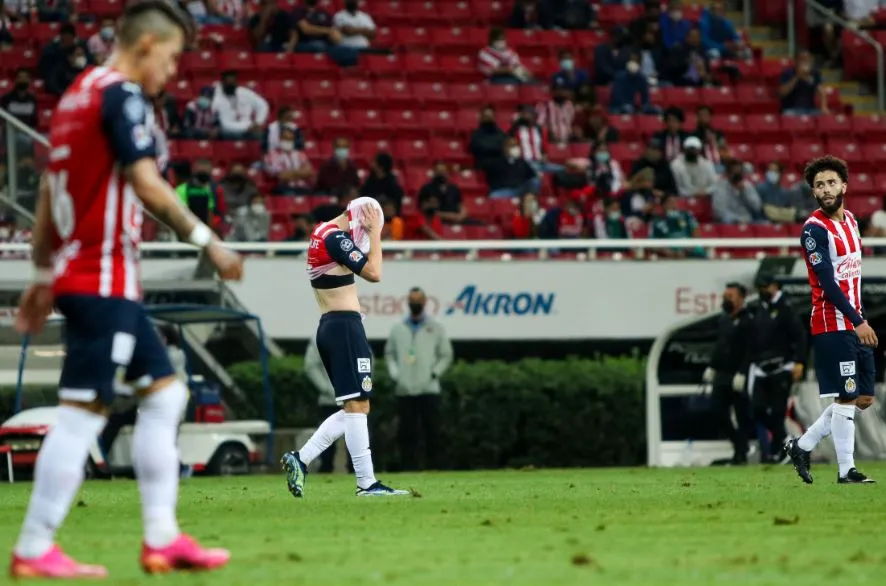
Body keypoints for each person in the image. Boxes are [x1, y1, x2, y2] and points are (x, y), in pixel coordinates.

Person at [9, 1, 244, 579]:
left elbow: (46, 194)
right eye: (171, 57)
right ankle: (35, 546)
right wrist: (206, 240)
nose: (172, 71)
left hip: (87, 277)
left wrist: (41, 277)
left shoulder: (74, 99)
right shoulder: (122, 95)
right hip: (102, 278)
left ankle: (162, 538)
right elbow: (145, 182)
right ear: (145, 46)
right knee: (83, 414)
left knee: (166, 395)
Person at [280, 197, 408, 497]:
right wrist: (376, 232)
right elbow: (375, 273)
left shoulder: (322, 234)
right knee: (357, 405)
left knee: (356, 405)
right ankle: (366, 483)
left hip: (334, 325)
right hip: (344, 326)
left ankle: (301, 459)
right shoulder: (336, 238)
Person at [786, 155, 877, 484]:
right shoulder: (813, 230)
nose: (826, 189)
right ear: (813, 192)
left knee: (862, 397)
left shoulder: (852, 221)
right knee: (847, 395)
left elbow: (853, 279)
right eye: (819, 185)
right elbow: (827, 283)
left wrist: (860, 318)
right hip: (831, 323)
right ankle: (846, 471)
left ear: (844, 186)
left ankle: (803, 444)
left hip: (854, 320)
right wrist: (858, 321)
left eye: (831, 182)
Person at [385, 287, 453, 471]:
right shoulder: (398, 328)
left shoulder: (435, 328)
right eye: (412, 300)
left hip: (429, 389)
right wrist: (396, 375)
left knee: (432, 430)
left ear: (424, 302)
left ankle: (435, 466)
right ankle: (409, 467)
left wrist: (434, 373)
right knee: (406, 432)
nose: (415, 303)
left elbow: (446, 355)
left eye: (418, 300)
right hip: (405, 389)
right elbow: (389, 354)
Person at [747, 275, 807, 463]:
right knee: (757, 409)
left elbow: (801, 336)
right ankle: (784, 441)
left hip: (782, 366)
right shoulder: (760, 308)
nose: (762, 291)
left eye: (765, 287)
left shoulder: (786, 308)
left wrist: (800, 362)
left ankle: (779, 450)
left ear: (775, 286)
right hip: (761, 368)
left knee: (778, 410)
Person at [701, 283, 754, 464]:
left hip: (739, 376)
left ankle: (741, 452)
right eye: (725, 297)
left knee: (742, 414)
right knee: (717, 411)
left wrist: (742, 373)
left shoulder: (748, 320)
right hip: (722, 374)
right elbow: (719, 346)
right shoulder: (723, 320)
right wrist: (712, 367)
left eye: (730, 297)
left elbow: (749, 350)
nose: (726, 301)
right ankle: (739, 444)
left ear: (740, 299)